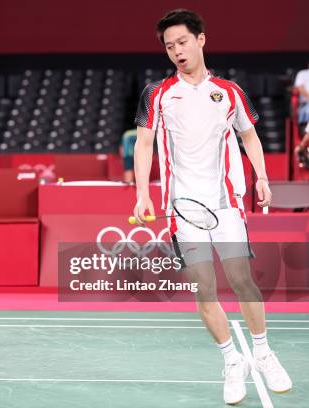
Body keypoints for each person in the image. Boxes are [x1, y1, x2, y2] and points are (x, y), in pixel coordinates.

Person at [132, 9, 291, 405]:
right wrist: (141, 192)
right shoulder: (158, 93)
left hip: (226, 203)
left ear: (201, 39)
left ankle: (263, 352)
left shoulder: (229, 91)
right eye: (169, 47)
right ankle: (231, 360)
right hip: (182, 208)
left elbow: (250, 137)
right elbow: (144, 143)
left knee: (242, 282)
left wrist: (262, 177)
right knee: (205, 291)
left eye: (183, 42)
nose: (177, 51)